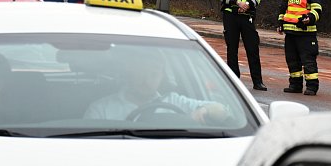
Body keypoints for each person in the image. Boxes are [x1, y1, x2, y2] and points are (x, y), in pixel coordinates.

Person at [84, 49, 229, 123]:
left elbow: (223, 110)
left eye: (153, 74)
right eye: (141, 72)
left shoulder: (174, 101)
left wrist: (204, 110)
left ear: (162, 76)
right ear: (130, 73)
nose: (147, 80)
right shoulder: (101, 109)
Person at [214, 0, 267, 91]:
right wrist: (237, 2)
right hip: (231, 15)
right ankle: (234, 81)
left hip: (246, 15)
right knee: (232, 48)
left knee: (253, 48)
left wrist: (248, 4)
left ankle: (258, 81)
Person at [277, 0, 323, 96]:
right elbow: (283, 8)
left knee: (308, 61)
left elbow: (317, 8)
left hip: (306, 33)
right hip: (290, 33)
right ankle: (295, 85)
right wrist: (280, 23)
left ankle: (312, 87)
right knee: (292, 61)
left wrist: (310, 18)